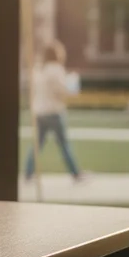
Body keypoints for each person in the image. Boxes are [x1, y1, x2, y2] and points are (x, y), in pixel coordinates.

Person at [24, 40, 84, 183]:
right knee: (64, 144)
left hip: (39, 112)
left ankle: (28, 172)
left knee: (37, 145)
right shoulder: (56, 69)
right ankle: (76, 174)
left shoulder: (39, 69)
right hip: (54, 112)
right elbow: (62, 91)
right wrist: (72, 83)